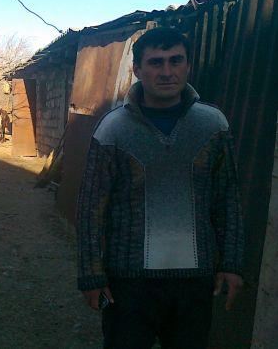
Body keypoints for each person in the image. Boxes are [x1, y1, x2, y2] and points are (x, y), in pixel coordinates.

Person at [76, 27, 244, 349]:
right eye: (155, 62)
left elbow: (227, 200)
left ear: (188, 66)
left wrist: (232, 264)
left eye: (175, 60)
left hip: (195, 282)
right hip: (129, 283)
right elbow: (91, 208)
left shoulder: (213, 125)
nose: (167, 72)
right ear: (137, 70)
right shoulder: (113, 129)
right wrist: (91, 275)